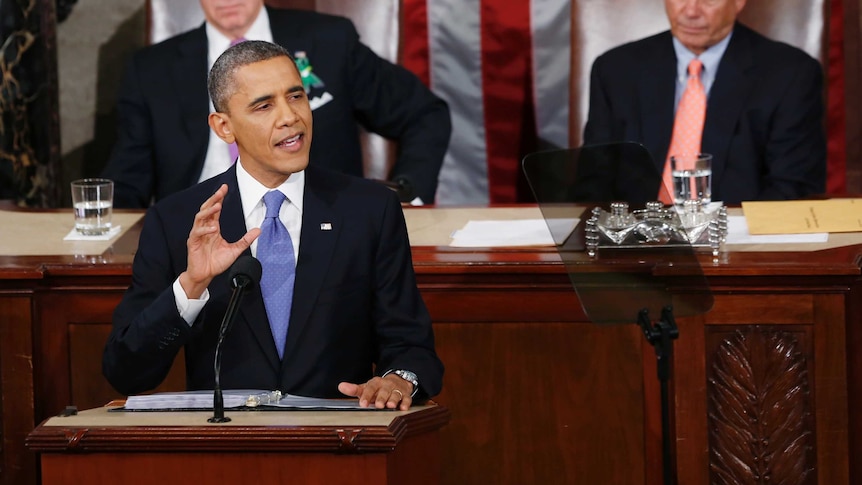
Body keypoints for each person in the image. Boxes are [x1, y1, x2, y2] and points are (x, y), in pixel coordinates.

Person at [102, 40, 443, 410]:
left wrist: (399, 378)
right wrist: (190, 286)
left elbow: (412, 347)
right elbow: (126, 372)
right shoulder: (178, 220)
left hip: (342, 445)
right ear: (224, 127)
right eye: (264, 105)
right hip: (225, 450)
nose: (290, 117)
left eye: (296, 97)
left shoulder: (369, 210)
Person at [101, 0, 451, 208]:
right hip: (200, 238)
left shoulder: (328, 41)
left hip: (321, 230)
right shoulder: (151, 69)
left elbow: (423, 114)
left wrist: (408, 197)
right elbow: (128, 181)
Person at [583, 0, 826, 204]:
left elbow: (794, 186)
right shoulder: (616, 69)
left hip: (738, 246)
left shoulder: (791, 73)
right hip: (634, 247)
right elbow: (594, 181)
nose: (691, 11)